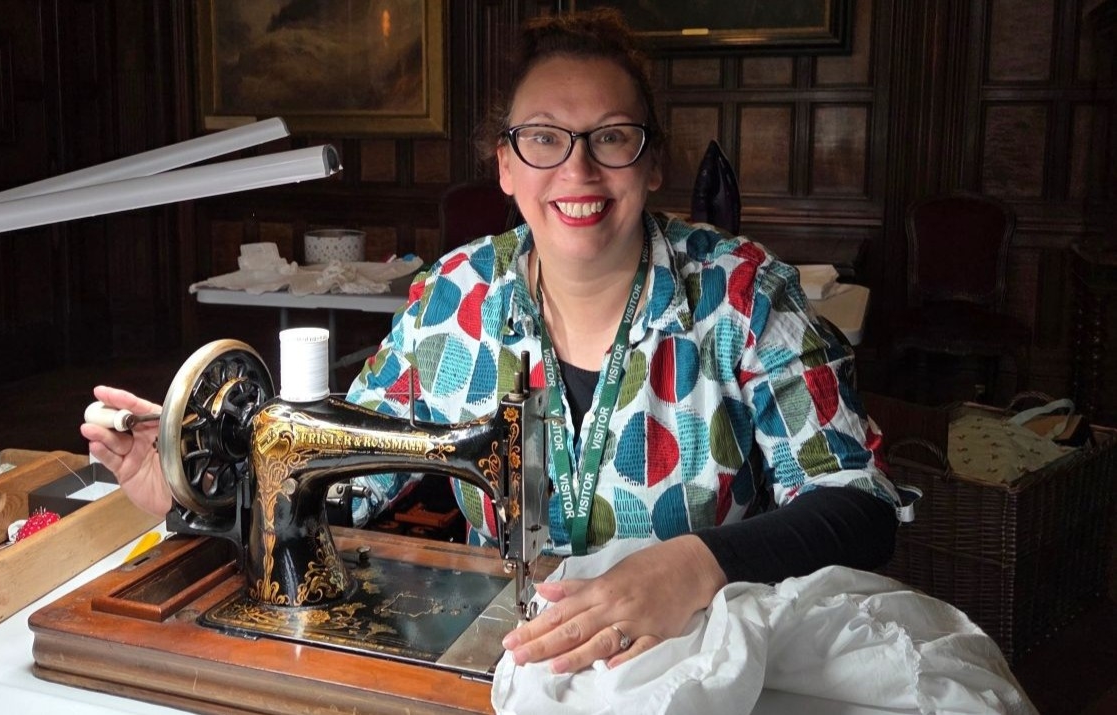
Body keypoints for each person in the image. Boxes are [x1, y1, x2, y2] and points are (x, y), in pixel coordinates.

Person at [82, 8, 901, 678]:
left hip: (702, 667)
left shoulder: (745, 293)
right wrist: (195, 489)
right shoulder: (455, 300)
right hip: (513, 671)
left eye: (612, 137)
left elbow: (860, 510)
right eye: (544, 138)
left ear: (652, 163)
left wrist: (697, 565)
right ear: (504, 165)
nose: (577, 170)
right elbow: (334, 486)